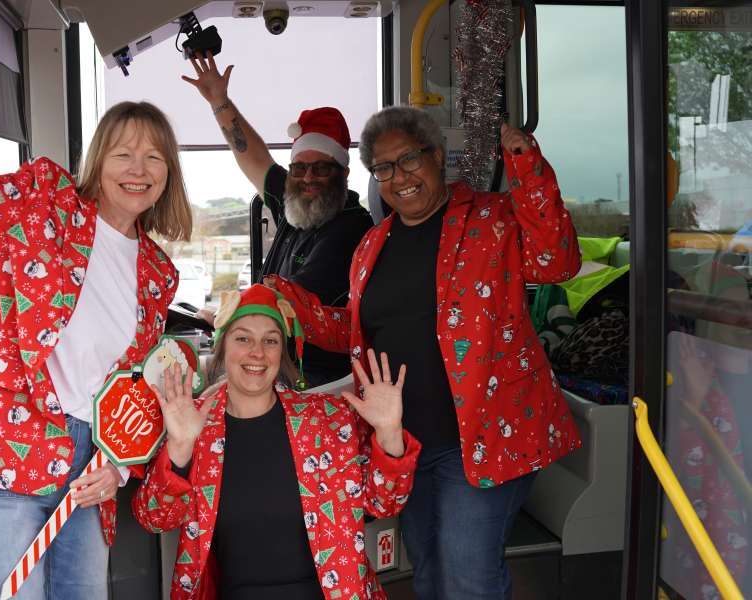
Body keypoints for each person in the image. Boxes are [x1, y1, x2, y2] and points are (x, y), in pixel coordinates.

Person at [267, 106, 583, 600]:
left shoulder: (493, 217)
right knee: (429, 570)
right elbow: (352, 331)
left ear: (437, 157)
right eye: (385, 168)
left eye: (409, 159)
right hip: (407, 443)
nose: (400, 176)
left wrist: (526, 162)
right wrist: (289, 302)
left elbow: (557, 259)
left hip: (481, 437)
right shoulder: (372, 244)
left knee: (467, 575)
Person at [0, 22, 192, 599]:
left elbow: (141, 389)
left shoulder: (158, 272)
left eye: (154, 157)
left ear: (167, 175)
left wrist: (120, 468)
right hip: (7, 445)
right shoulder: (43, 201)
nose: (138, 168)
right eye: (124, 152)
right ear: (100, 159)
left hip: (90, 468)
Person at [132, 284, 420, 599]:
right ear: (222, 346)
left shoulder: (327, 419)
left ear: (281, 353)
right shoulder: (192, 420)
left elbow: (385, 503)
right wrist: (180, 449)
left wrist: (390, 431)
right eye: (243, 338)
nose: (257, 352)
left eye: (270, 340)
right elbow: (154, 518)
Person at [184, 53, 372, 387]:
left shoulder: (350, 228)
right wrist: (219, 101)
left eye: (321, 168)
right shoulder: (296, 205)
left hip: (315, 380)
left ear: (343, 173)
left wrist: (222, 317)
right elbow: (253, 156)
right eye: (299, 167)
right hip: (279, 363)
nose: (308, 177)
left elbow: (283, 302)